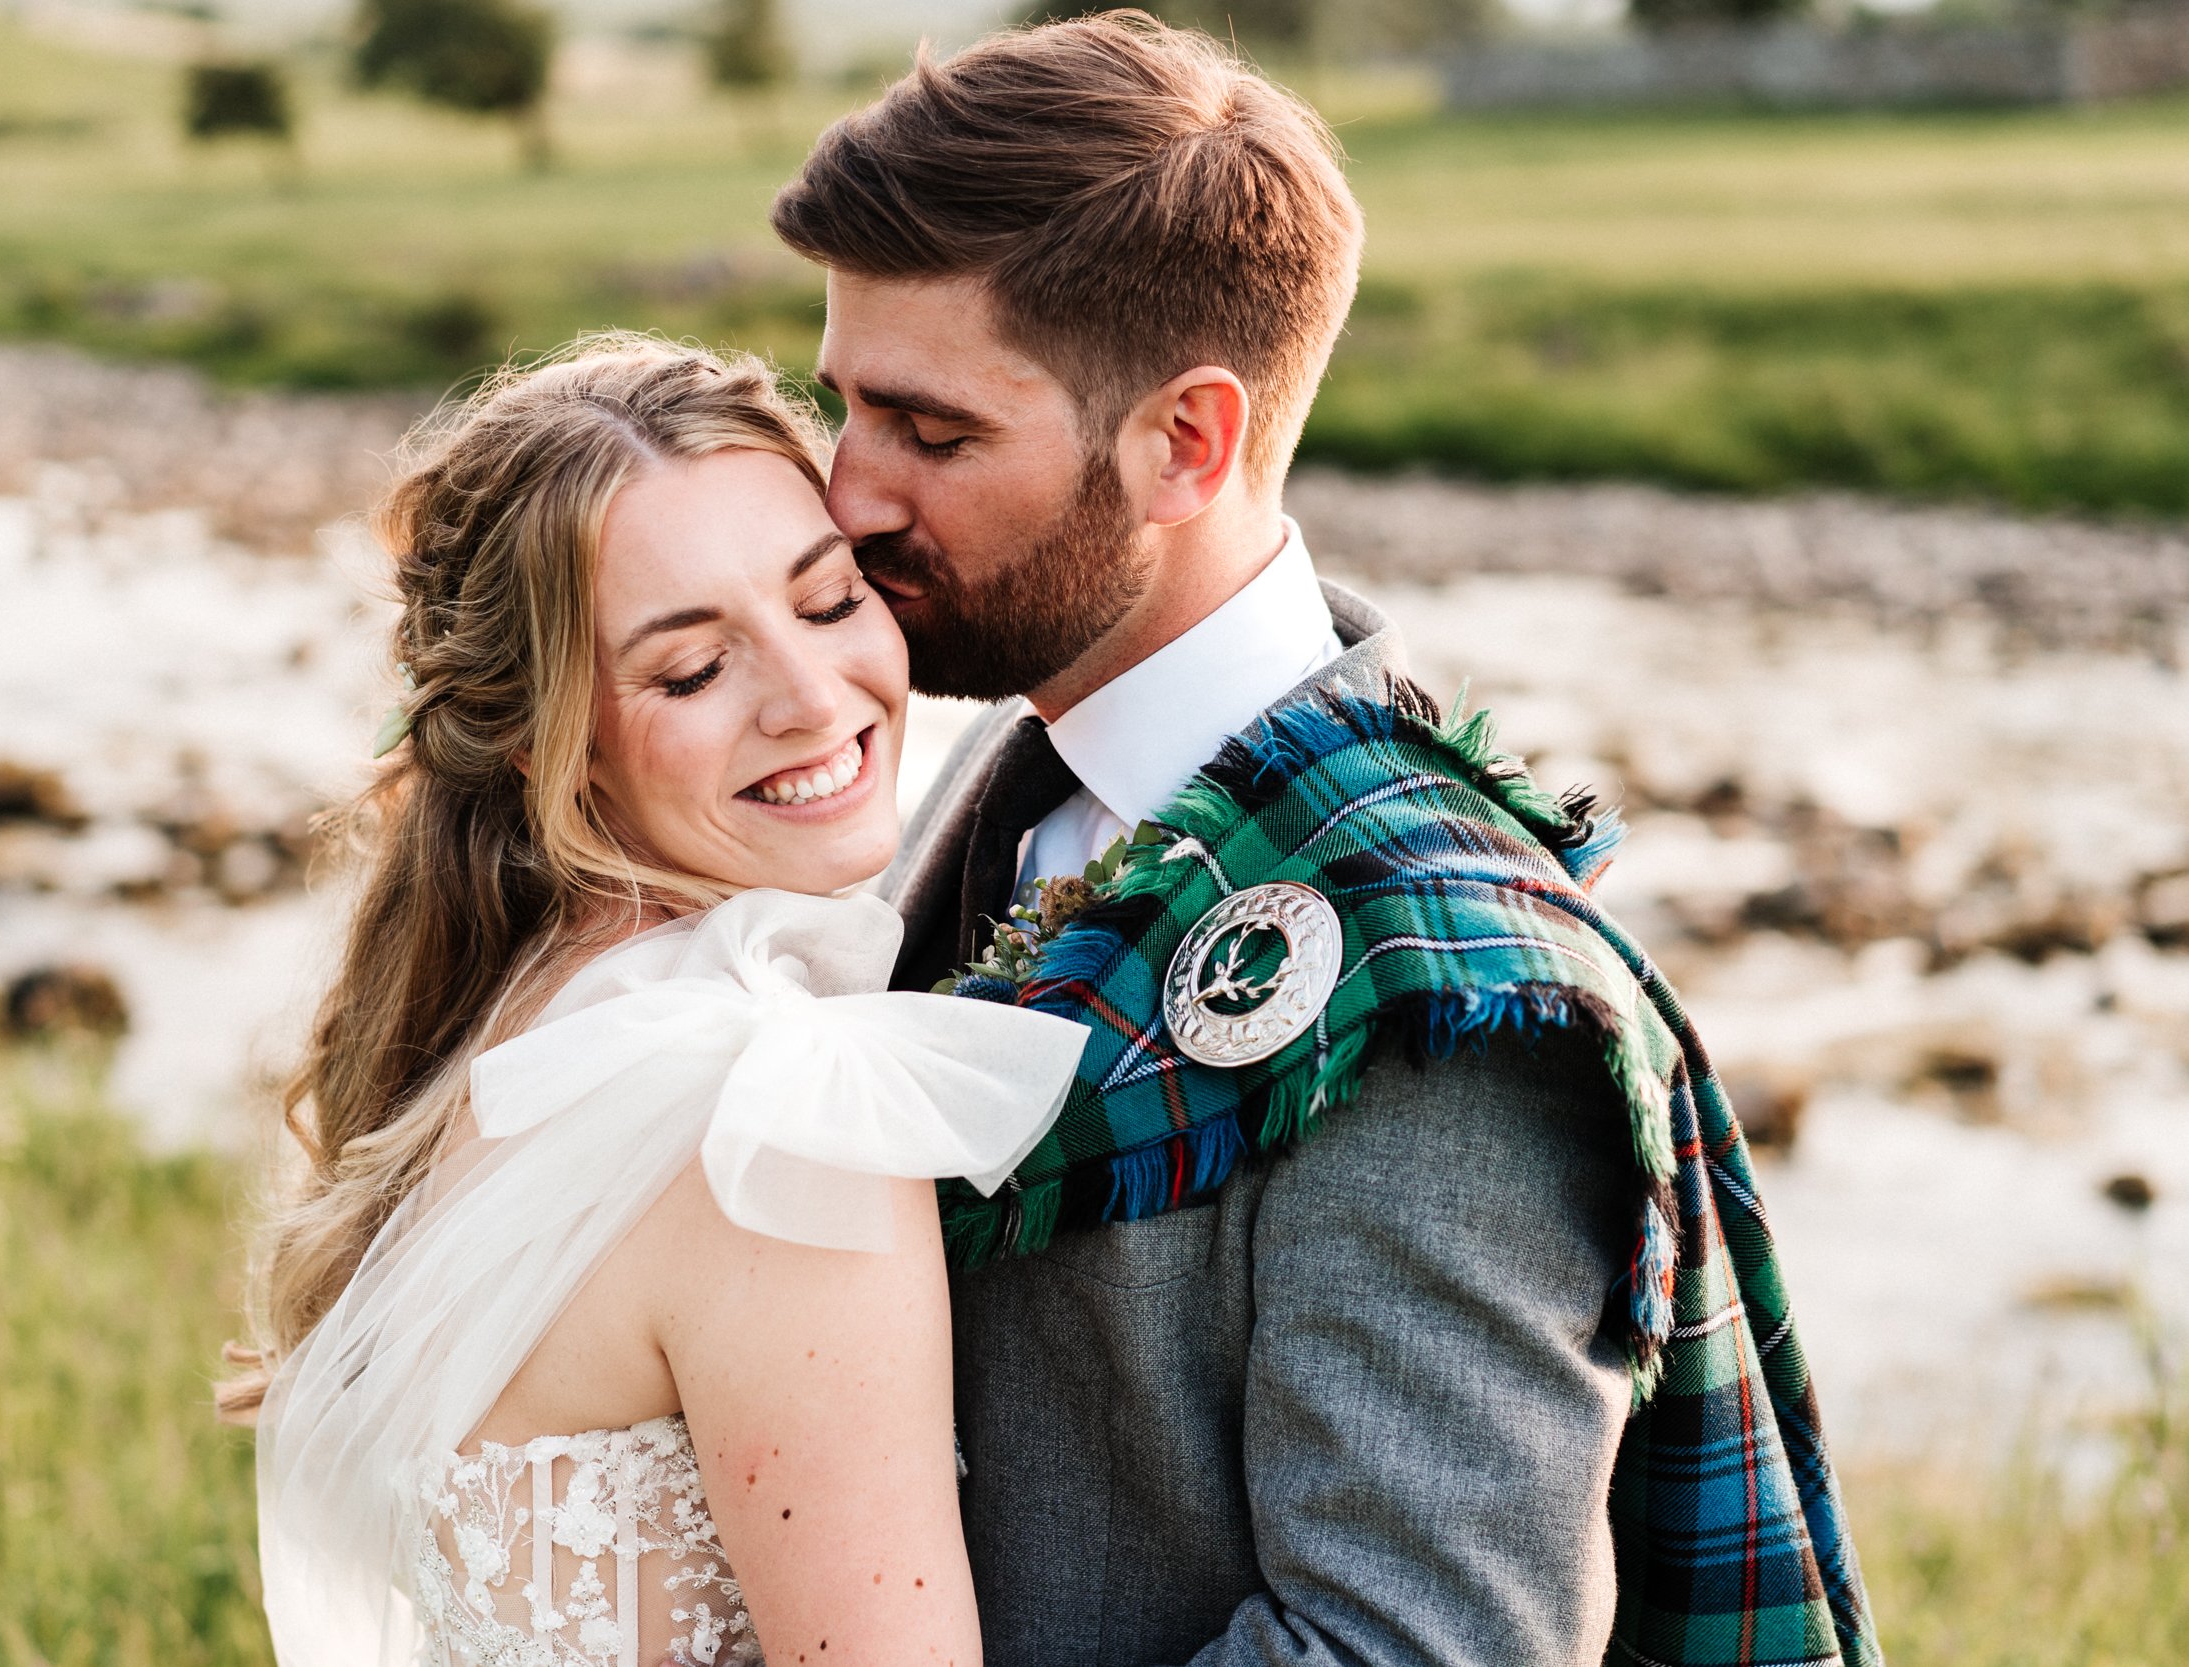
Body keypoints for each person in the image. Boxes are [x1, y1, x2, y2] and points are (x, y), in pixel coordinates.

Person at [772, 13, 1881, 1667]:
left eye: (931, 434)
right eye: (838, 403)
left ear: (1187, 442)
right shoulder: (1009, 762)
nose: (844, 498)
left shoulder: (1445, 998)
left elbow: (1413, 1645)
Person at [222, 335, 1089, 1667]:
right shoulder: (779, 1126)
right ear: (545, 737)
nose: (812, 699)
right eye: (691, 672)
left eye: (828, 599)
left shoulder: (505, 1017)